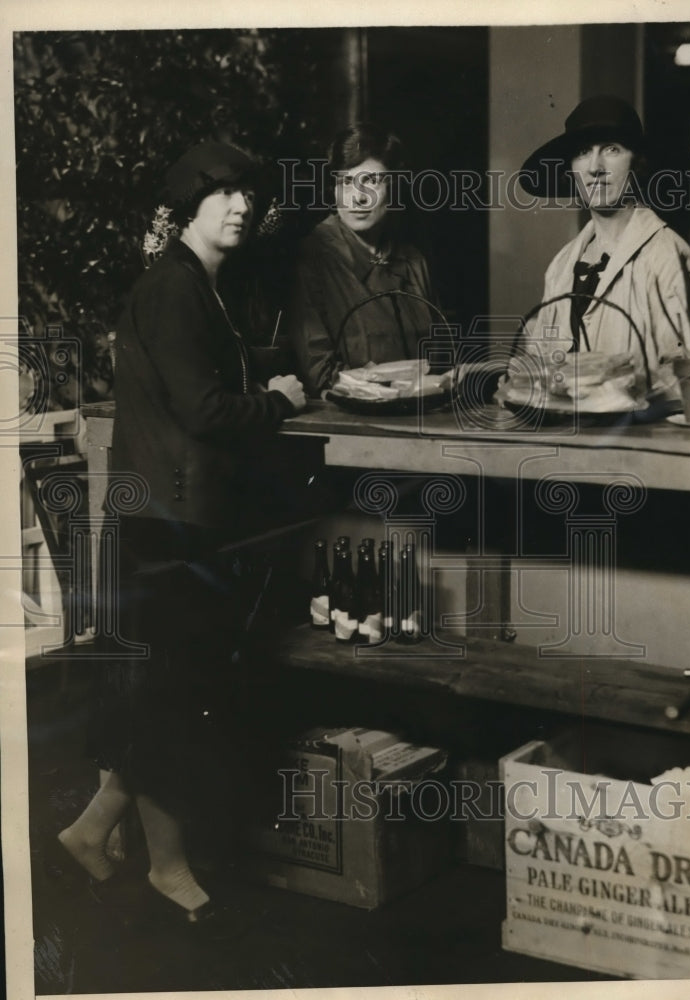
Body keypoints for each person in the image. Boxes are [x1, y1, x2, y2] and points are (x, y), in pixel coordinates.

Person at [54, 141, 306, 934]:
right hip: (165, 529)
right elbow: (203, 409)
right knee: (174, 701)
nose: (241, 206)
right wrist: (279, 399)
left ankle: (104, 835)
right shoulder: (175, 289)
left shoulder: (196, 285)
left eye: (248, 195)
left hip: (170, 521)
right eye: (222, 194)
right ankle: (158, 862)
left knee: (174, 698)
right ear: (189, 208)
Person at [514, 95, 690, 393]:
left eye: (611, 149)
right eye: (583, 152)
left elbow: (686, 378)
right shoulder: (561, 266)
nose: (595, 167)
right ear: (571, 169)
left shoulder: (668, 255)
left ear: (637, 163)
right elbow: (540, 363)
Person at [285, 123, 439, 397]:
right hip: (347, 416)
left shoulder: (413, 259)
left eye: (371, 181)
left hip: (419, 412)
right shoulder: (312, 256)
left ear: (394, 186)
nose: (358, 198)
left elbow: (439, 356)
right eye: (345, 182)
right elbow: (319, 372)